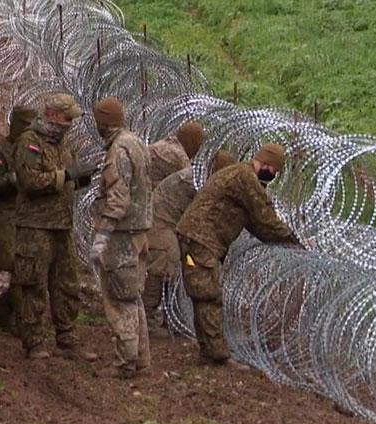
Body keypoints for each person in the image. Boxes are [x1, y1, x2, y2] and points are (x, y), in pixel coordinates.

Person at [175, 143, 300, 368]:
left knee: (203, 293)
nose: (273, 176)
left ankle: (208, 352)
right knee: (208, 294)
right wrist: (294, 243)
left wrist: (279, 240)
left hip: (198, 238)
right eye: (274, 171)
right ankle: (218, 357)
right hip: (201, 240)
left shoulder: (239, 174)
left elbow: (256, 223)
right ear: (267, 165)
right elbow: (265, 216)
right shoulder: (246, 178)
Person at [12, 93, 97, 360]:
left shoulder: (63, 143)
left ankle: (67, 337)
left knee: (66, 284)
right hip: (35, 225)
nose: (69, 123)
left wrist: (82, 177)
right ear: (50, 114)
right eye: (66, 117)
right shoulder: (30, 142)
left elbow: (69, 175)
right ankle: (34, 340)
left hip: (62, 224)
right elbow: (29, 180)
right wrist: (66, 176)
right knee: (33, 282)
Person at [88, 97, 153, 378]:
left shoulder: (118, 150)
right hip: (139, 231)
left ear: (103, 123)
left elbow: (118, 199)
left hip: (122, 236)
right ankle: (141, 358)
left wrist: (102, 234)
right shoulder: (136, 142)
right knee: (133, 296)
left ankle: (126, 362)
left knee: (119, 299)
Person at [143, 151, 236, 337]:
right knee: (163, 266)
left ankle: (173, 318)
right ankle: (147, 320)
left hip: (171, 223)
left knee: (177, 269)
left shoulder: (202, 178)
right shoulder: (196, 183)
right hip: (158, 223)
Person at [0, 106, 36, 333]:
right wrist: (10, 180)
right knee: (16, 267)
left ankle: (3, 309)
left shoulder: (34, 149)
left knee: (30, 268)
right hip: (6, 214)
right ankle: (20, 318)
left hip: (29, 214)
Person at [145, 121, 203, 189]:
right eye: (198, 144)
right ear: (192, 141)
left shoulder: (165, 143)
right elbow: (190, 187)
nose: (198, 150)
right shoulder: (180, 159)